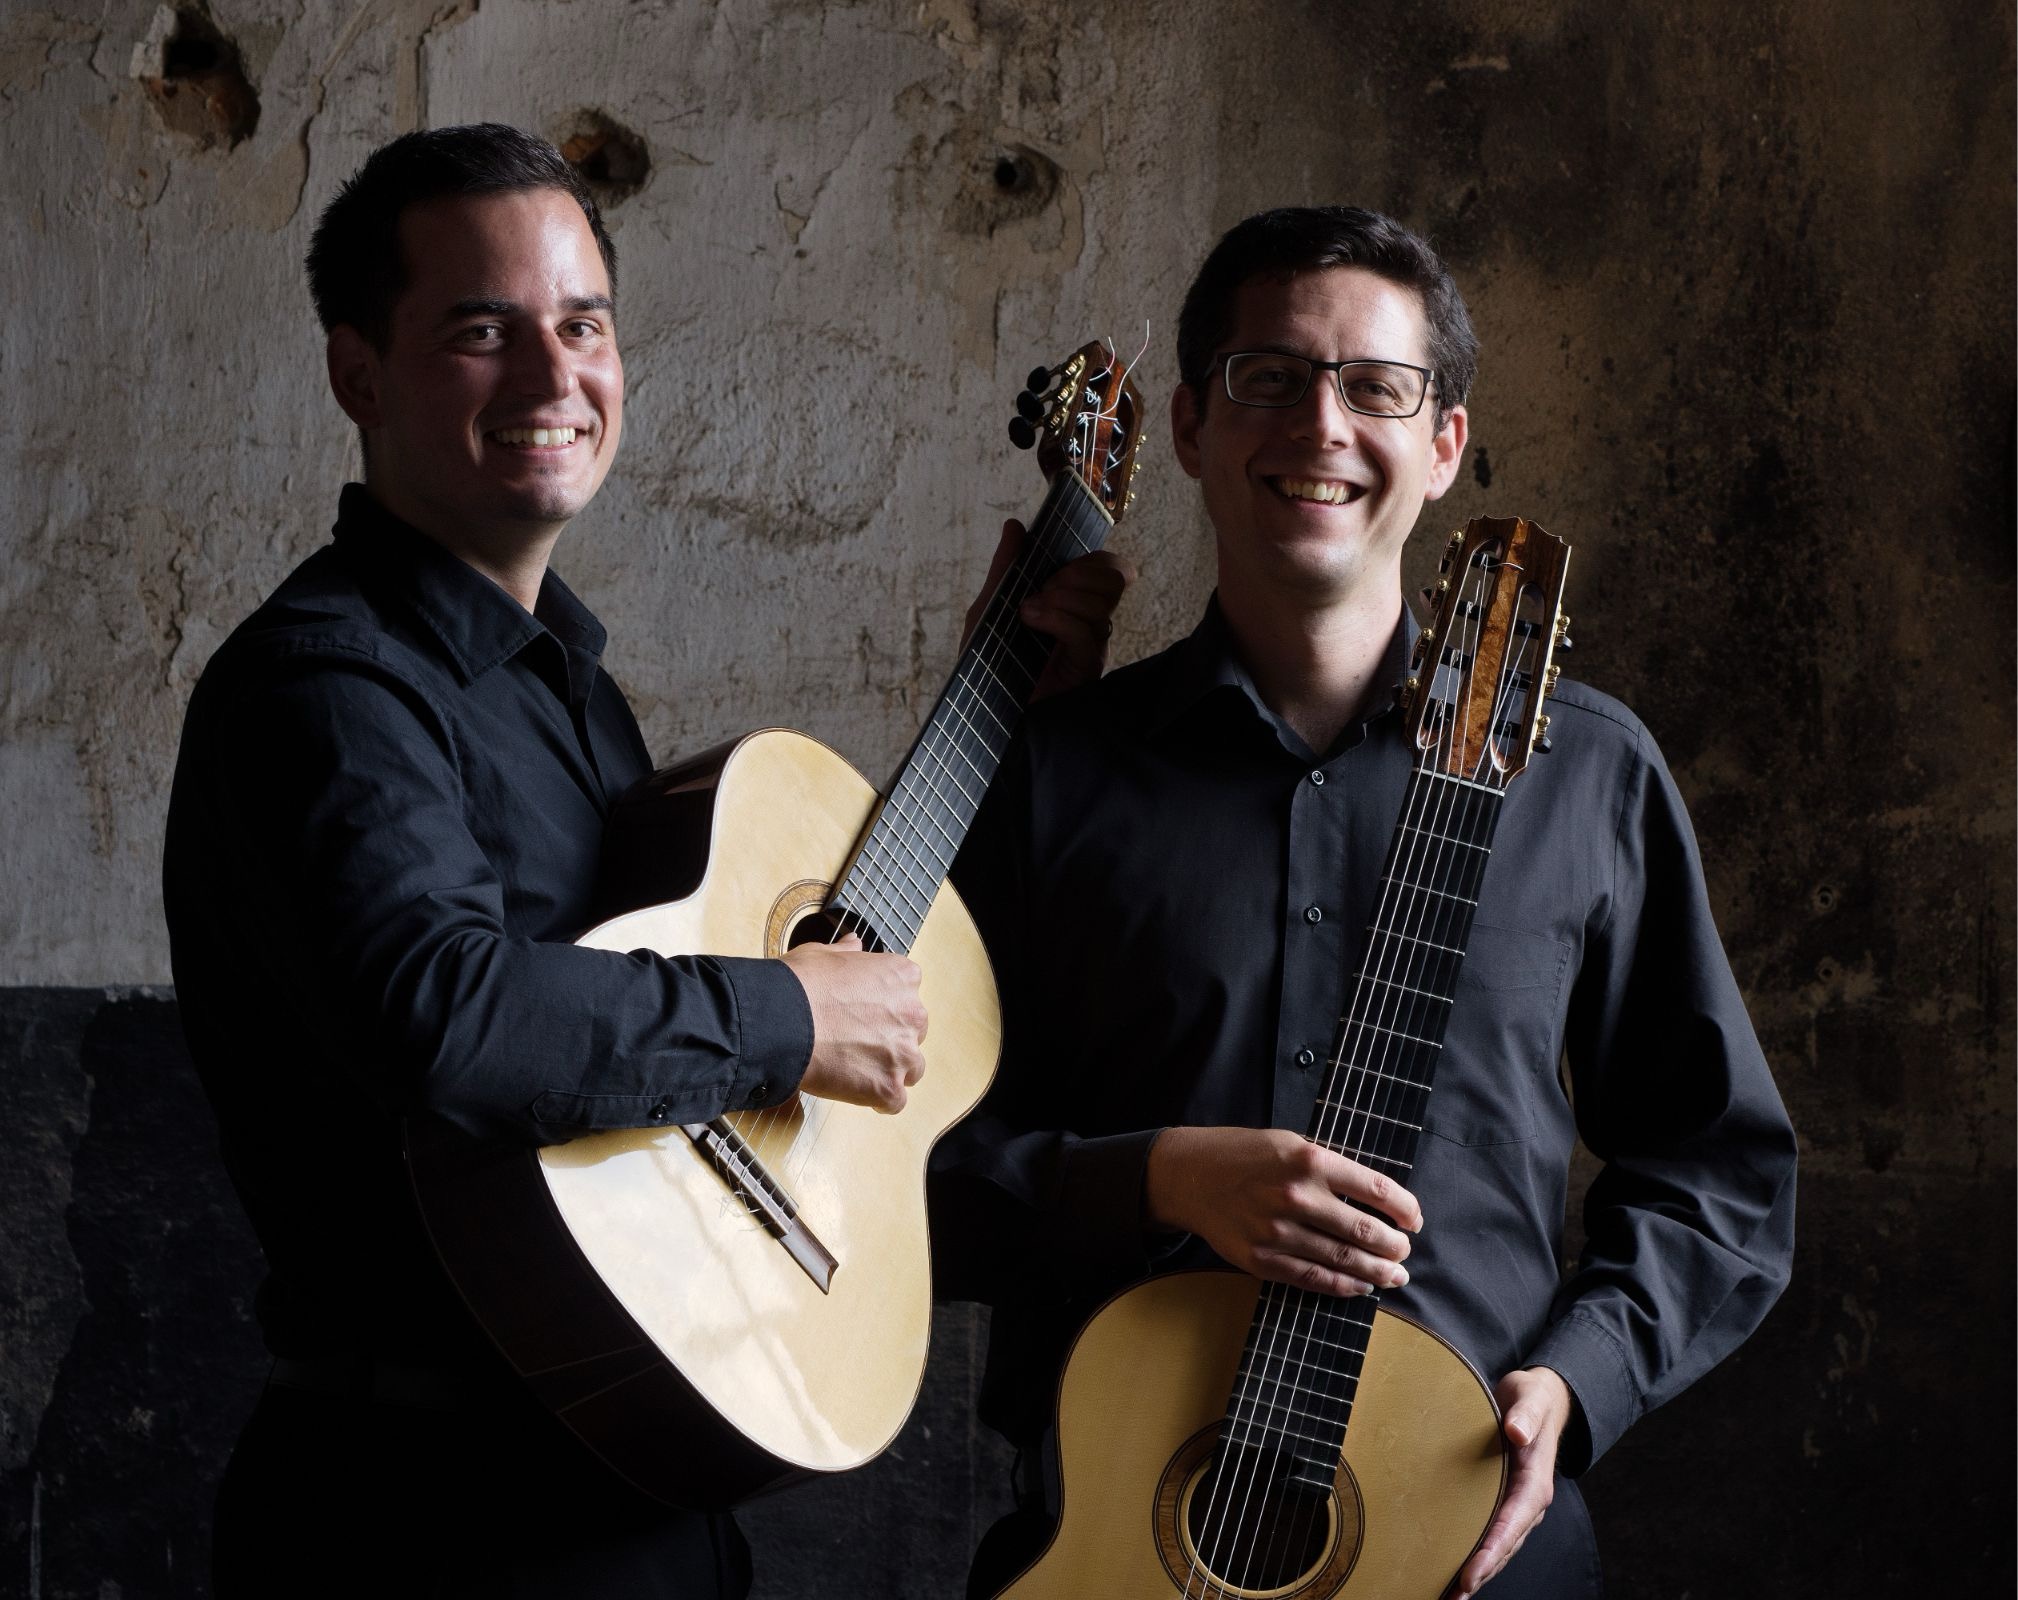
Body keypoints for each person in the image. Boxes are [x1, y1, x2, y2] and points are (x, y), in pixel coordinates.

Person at [163, 123, 1126, 1598]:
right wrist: (786, 1013)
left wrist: (1014, 724)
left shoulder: (570, 692)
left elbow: (683, 1046)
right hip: (423, 1524)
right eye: (482, 332)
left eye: (583, 325)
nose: (552, 379)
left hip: (633, 1485)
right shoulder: (330, 689)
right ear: (358, 373)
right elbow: (449, 1015)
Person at [929, 206, 1798, 1599]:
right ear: (1195, 427)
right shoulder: (1051, 774)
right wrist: (1152, 1178)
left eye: (1376, 388)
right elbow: (908, 1175)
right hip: (1111, 1545)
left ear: (1442, 443)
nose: (1321, 424)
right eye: (1270, 378)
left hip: (1471, 1546)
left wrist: (1580, 1381)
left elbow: (1721, 1175)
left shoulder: (1588, 774)